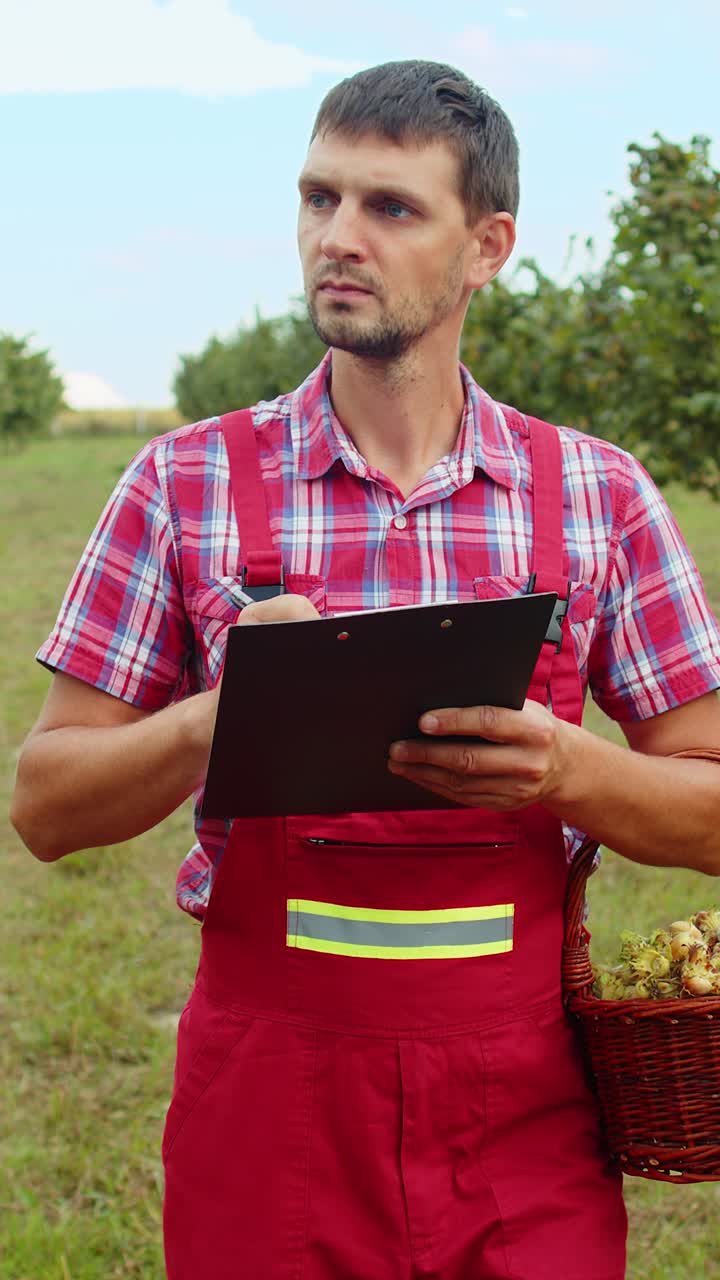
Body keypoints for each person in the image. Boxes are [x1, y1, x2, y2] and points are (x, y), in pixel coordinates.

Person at [11, 59, 720, 1280]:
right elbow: (45, 807)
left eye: (390, 207)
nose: (337, 237)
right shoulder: (185, 484)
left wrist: (564, 770)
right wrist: (217, 719)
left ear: (487, 245)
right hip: (269, 1105)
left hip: (523, 1121)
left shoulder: (596, 495)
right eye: (318, 198)